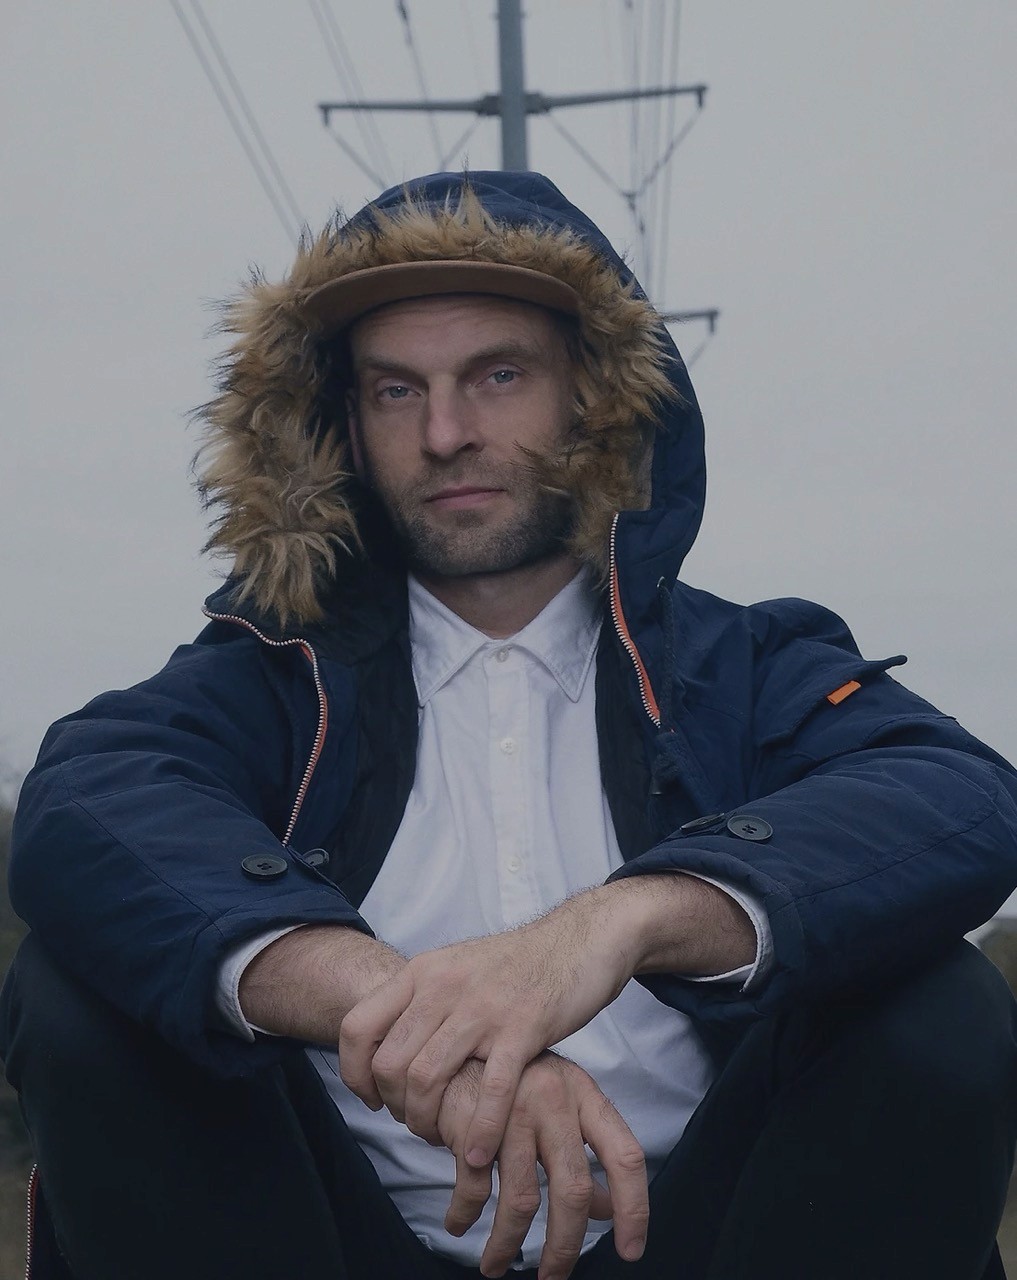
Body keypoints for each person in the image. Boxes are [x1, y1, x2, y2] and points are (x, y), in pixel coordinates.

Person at [3, 170, 1017, 1280]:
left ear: (594, 395)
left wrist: (611, 927)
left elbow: (956, 798)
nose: (445, 433)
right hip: (328, 1239)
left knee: (942, 1004)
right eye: (396, 390)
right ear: (339, 426)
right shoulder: (268, 674)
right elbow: (84, 805)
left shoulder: (744, 664)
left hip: (709, 1232)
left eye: (497, 376)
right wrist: (432, 1027)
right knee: (79, 991)